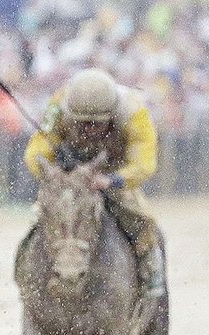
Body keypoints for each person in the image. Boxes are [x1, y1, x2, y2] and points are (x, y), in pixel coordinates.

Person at [24, 67, 166, 302]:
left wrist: (112, 180)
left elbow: (144, 164)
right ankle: (27, 271)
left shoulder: (134, 113)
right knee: (43, 216)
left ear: (112, 116)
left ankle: (152, 273)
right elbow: (36, 150)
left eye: (96, 123)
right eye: (81, 123)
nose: (88, 129)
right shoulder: (59, 104)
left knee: (142, 218)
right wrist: (53, 173)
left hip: (115, 175)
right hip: (69, 177)